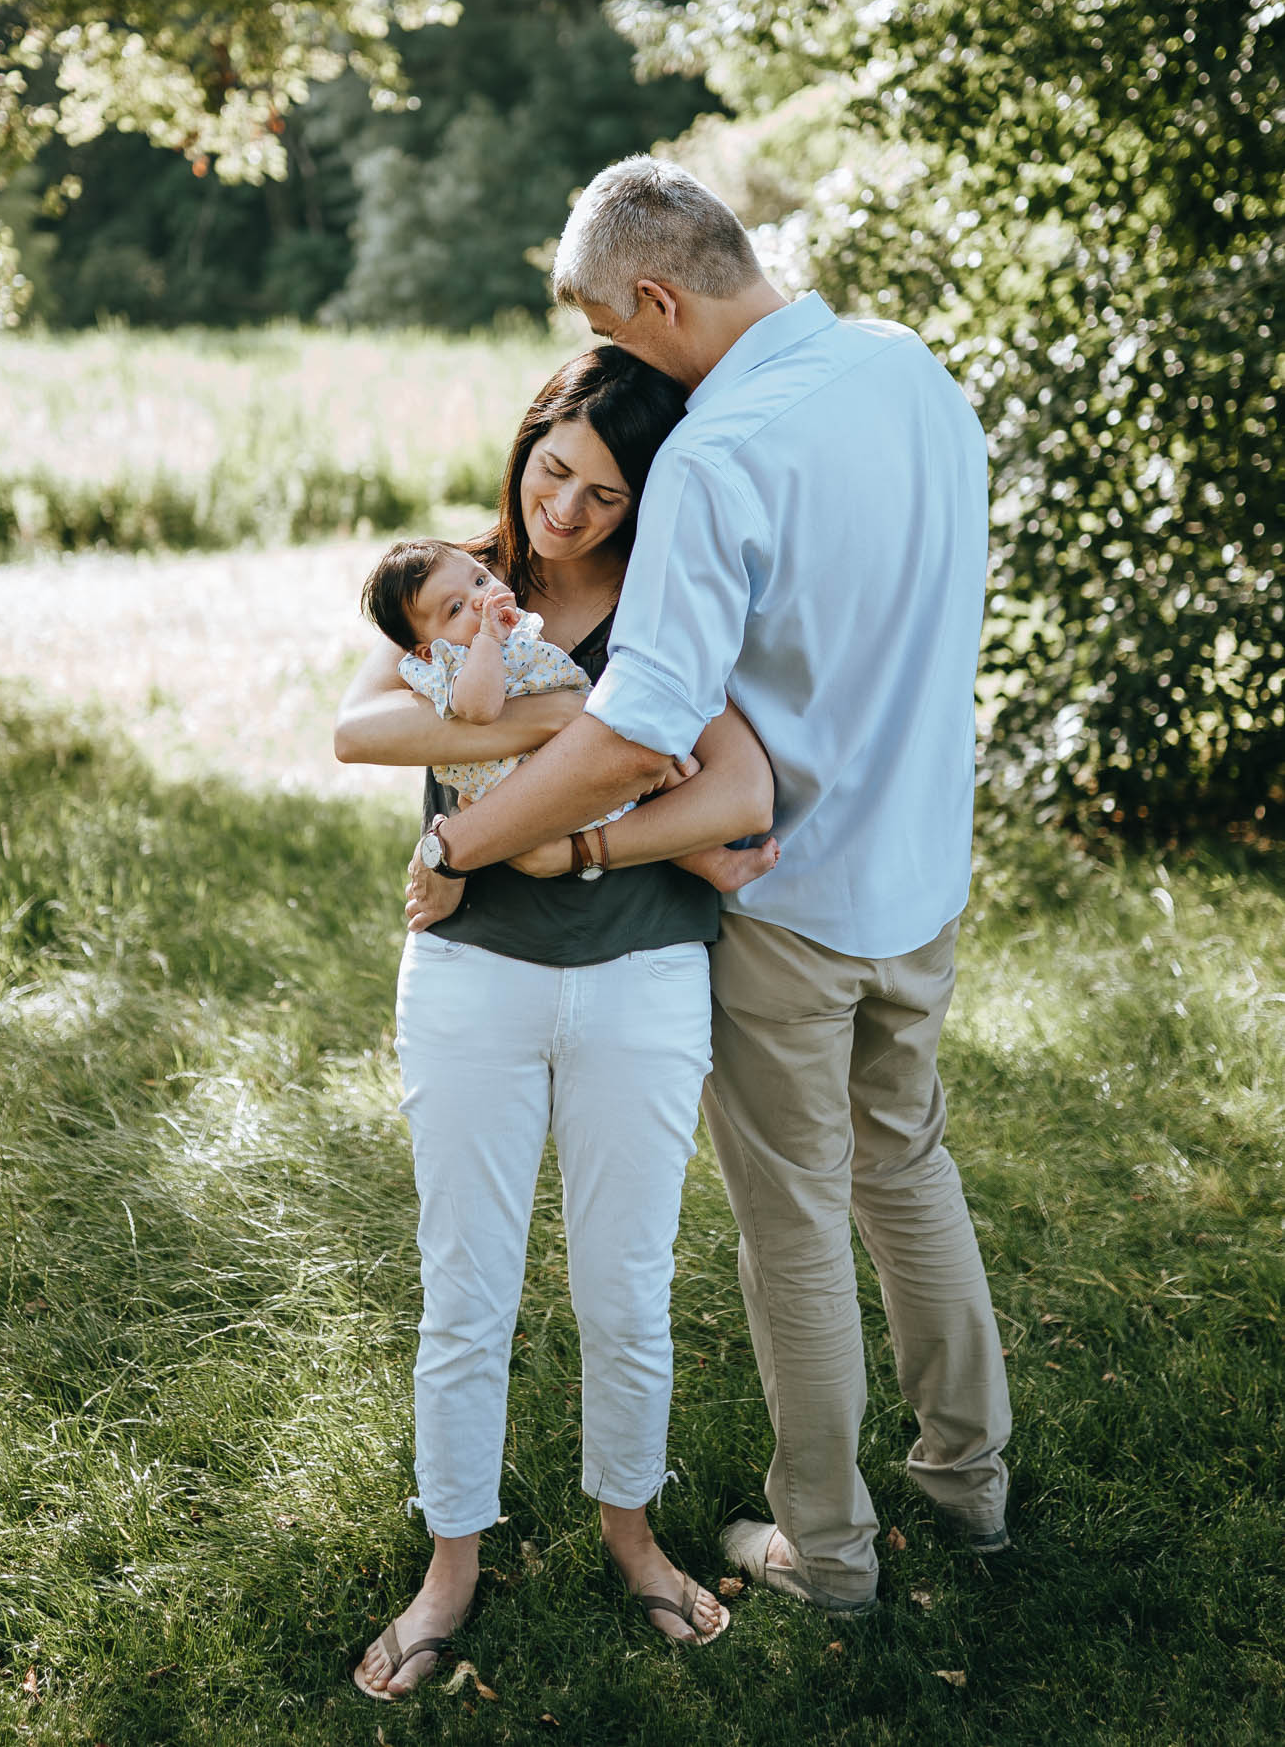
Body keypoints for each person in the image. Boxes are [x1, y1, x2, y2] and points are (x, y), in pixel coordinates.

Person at [403, 154, 1012, 1618]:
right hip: (922, 870)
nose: (610, 361)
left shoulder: (719, 452)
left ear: (661, 295)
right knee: (906, 1163)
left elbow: (634, 728)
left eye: (616, 330)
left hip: (788, 894)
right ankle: (967, 1487)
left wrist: (461, 845)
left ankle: (832, 1555)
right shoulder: (907, 366)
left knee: (794, 1220)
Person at [334, 348, 778, 1700]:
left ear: (645, 499)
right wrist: (582, 725)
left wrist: (558, 839)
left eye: (601, 490)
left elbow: (738, 795)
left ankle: (630, 1537)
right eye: (551, 468)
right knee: (463, 1287)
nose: (565, 510)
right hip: (469, 978)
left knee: (624, 1287)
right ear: (523, 443)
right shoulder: (455, 584)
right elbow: (357, 731)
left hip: (642, 974)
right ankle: (450, 1564)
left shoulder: (668, 603)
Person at [359, 537, 634, 823]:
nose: (481, 599)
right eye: (455, 608)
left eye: (480, 580)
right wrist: (488, 639)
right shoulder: (449, 664)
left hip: (578, 751)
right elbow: (481, 709)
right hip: (529, 786)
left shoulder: (513, 632)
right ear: (428, 651)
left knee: (646, 768)